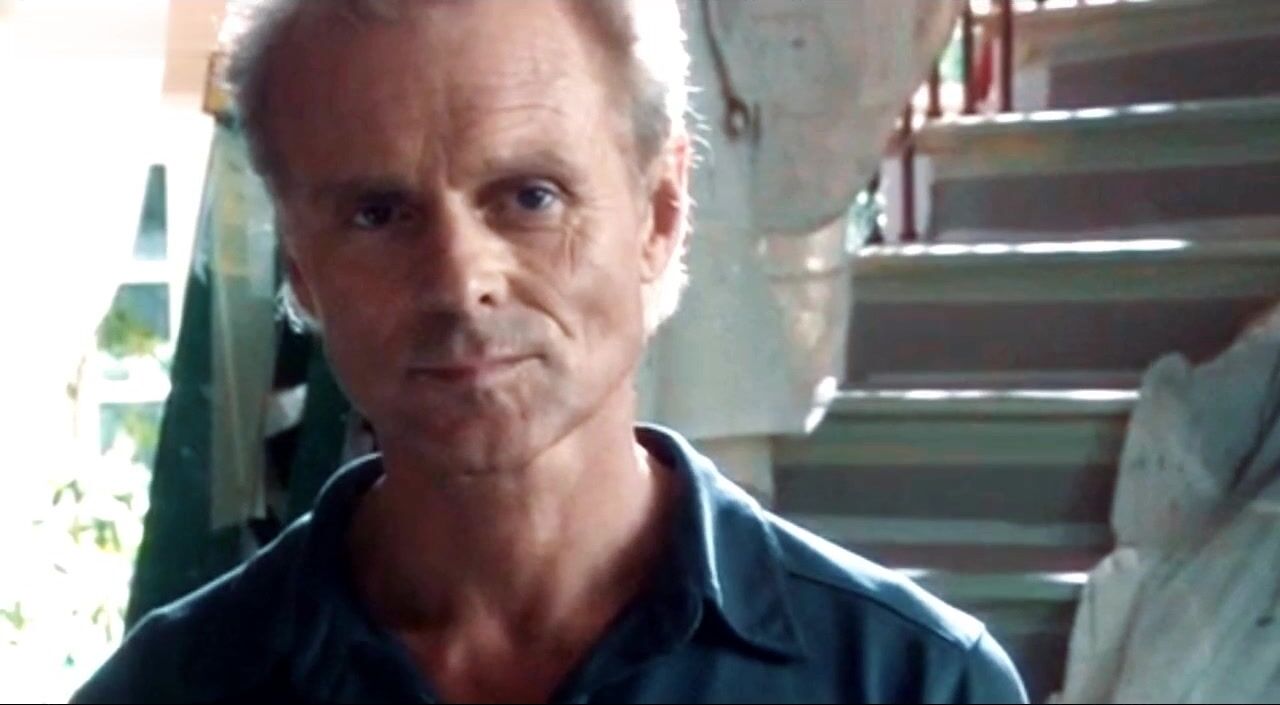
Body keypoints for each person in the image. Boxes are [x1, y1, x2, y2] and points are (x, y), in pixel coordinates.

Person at [73, 1, 1027, 702]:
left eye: (531, 197)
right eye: (378, 213)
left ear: (660, 214)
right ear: (300, 264)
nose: (461, 281)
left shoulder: (915, 683)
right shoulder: (166, 690)